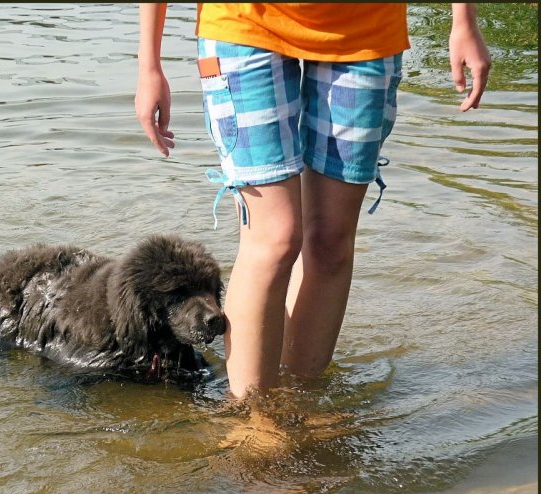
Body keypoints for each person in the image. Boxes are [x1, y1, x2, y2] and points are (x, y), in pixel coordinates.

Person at [135, 4, 491, 399]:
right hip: (243, 22)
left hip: (365, 28)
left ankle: (297, 401)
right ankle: (253, 422)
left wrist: (464, 20)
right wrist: (149, 62)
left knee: (330, 243)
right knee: (275, 239)